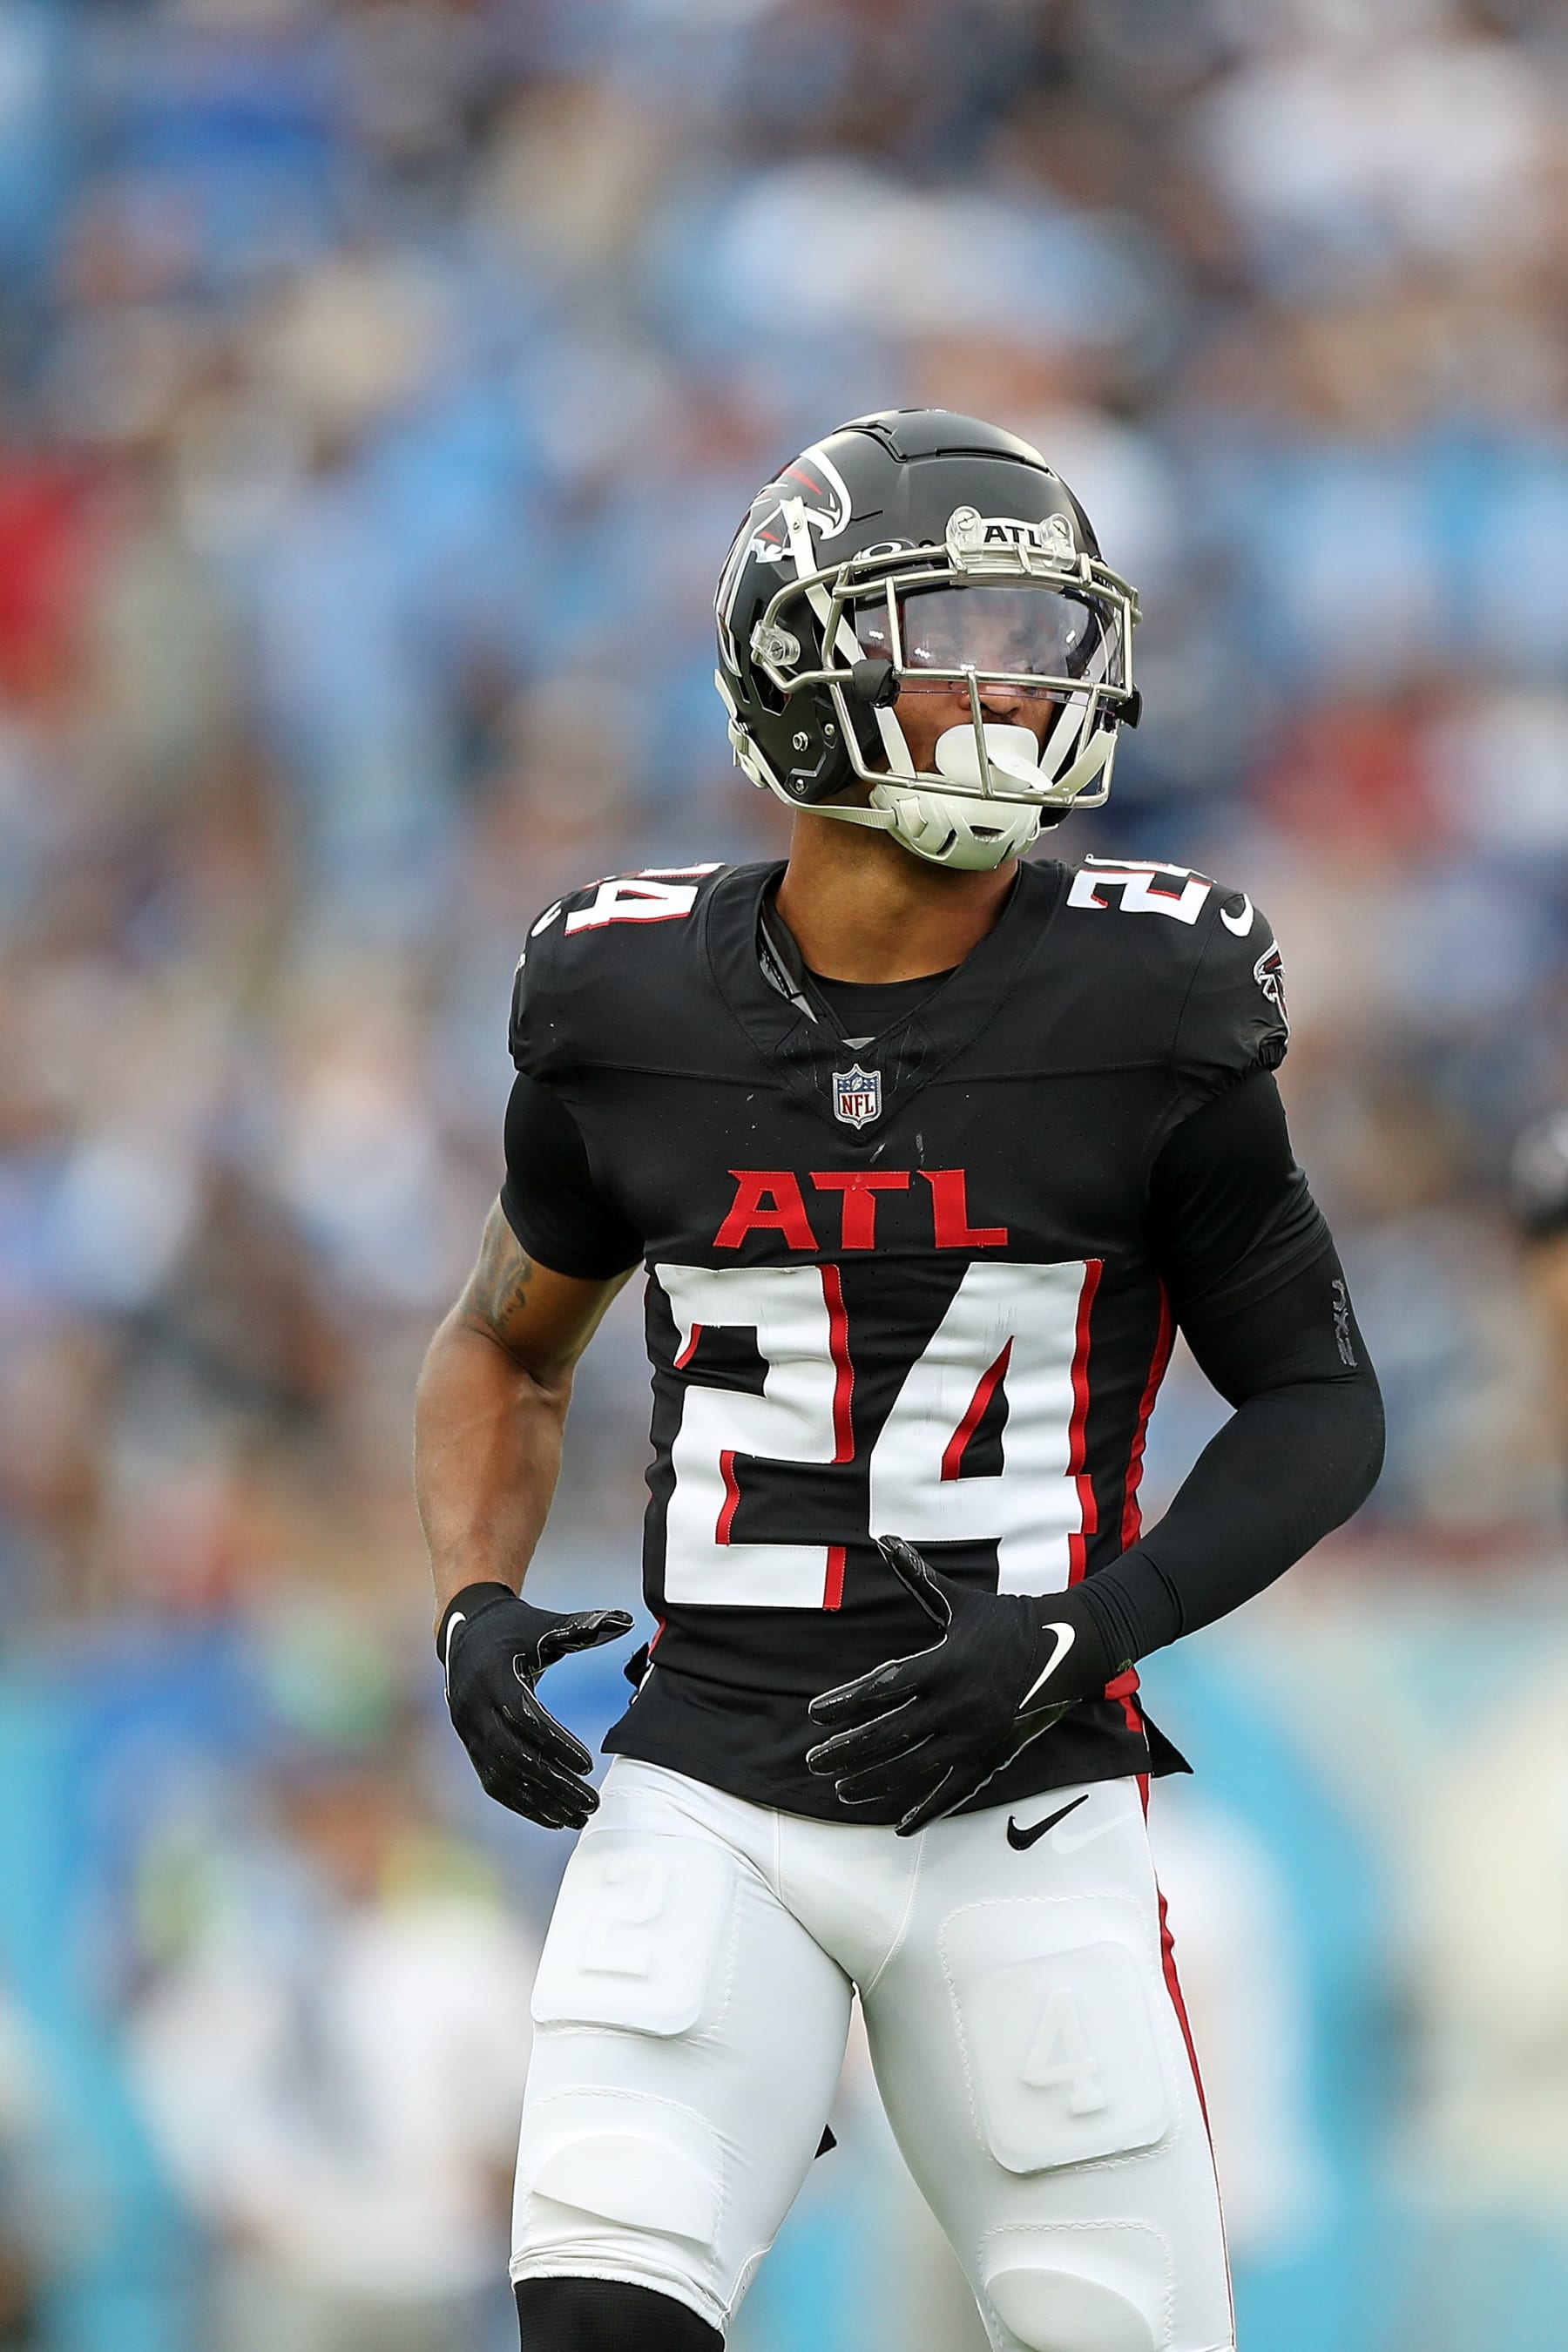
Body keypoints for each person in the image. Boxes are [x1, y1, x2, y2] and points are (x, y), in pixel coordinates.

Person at [414, 409, 1385, 2352]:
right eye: (955, 634)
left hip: (1023, 1809)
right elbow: (505, 1344)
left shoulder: (1148, 1006)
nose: (1013, 689)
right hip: (705, 1792)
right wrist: (470, 1597)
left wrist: (1082, 1628)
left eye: (1039, 641)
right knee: (601, 2319)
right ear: (798, 668)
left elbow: (1320, 1406)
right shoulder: (624, 1009)